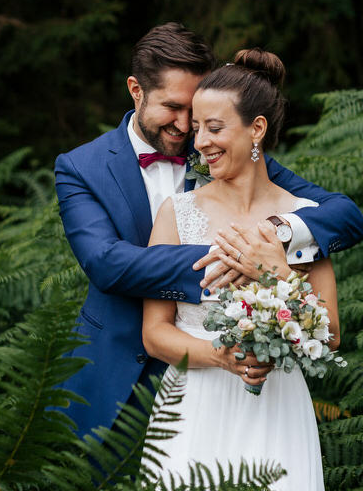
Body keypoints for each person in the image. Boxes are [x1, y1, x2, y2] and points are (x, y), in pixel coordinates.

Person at [54, 23, 363, 439]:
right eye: (173, 107)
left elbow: (341, 214)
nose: (186, 128)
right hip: (114, 376)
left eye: (196, 112)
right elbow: (107, 265)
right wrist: (228, 260)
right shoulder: (81, 167)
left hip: (230, 390)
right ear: (135, 90)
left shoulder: (223, 149)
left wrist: (277, 235)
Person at [141, 49, 334, 489]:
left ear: (257, 129)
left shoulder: (305, 218)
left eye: (214, 128)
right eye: (196, 130)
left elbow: (332, 334)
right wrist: (222, 359)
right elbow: (154, 332)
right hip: (193, 405)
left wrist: (278, 273)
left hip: (277, 406)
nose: (200, 142)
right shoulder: (177, 213)